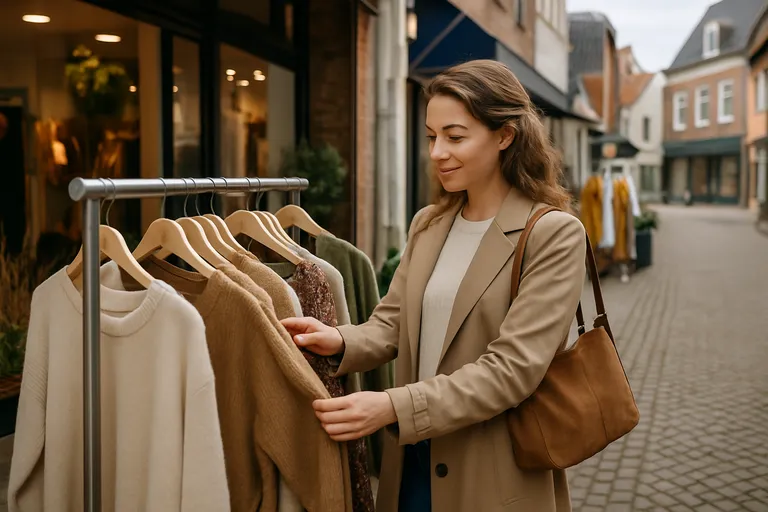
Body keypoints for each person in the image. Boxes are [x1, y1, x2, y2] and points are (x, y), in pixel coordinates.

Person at [281, 59, 586, 512]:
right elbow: (392, 323)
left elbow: (512, 370)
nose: (438, 152)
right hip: (412, 459)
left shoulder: (552, 234)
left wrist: (391, 407)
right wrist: (340, 340)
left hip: (492, 470)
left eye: (455, 137)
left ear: (505, 136)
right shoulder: (430, 223)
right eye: (431, 136)